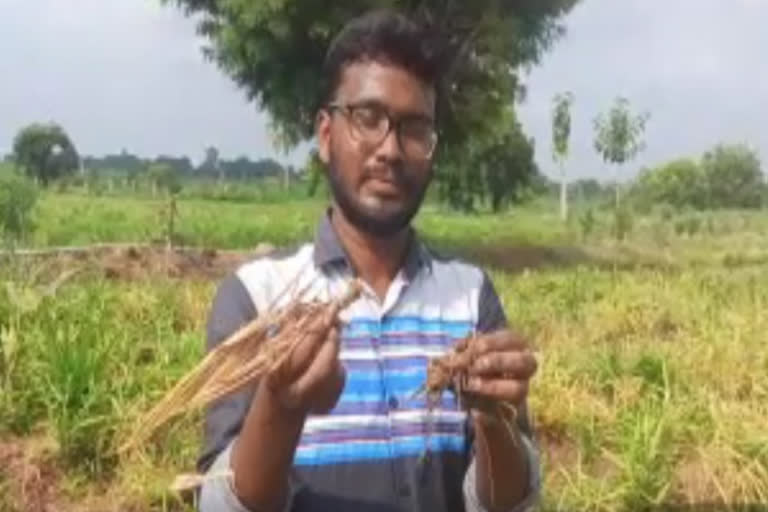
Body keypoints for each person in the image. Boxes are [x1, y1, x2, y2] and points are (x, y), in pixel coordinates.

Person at [197, 9, 540, 512]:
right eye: (368, 118)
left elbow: (506, 503)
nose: (390, 149)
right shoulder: (257, 298)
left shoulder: (470, 297)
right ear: (325, 134)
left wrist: (496, 424)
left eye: (415, 128)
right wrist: (281, 405)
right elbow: (219, 503)